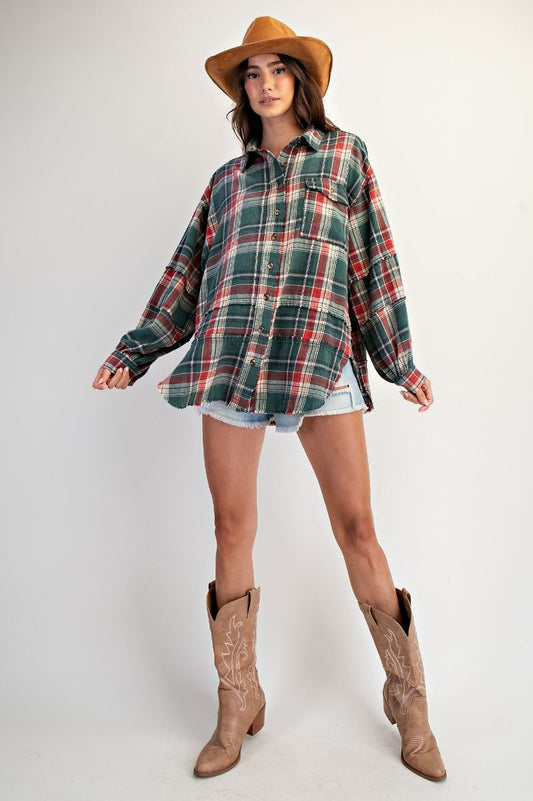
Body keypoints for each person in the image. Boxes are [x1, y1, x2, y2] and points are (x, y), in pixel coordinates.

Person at [92, 15, 446, 783]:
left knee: (357, 529)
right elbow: (185, 277)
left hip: (319, 355)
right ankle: (238, 699)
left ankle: (409, 702)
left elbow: (373, 262)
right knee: (231, 527)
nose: (264, 83)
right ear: (241, 91)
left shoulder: (345, 157)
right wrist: (133, 352)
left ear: (301, 80)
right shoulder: (226, 182)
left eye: (277, 68)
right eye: (250, 74)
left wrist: (399, 363)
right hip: (231, 361)